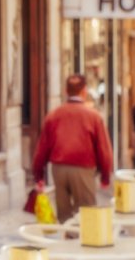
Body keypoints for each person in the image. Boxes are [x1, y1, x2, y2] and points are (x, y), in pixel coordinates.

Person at [32, 74, 114, 223]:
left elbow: (42, 148)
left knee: (64, 215)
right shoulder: (93, 117)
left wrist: (38, 176)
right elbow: (104, 149)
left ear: (65, 91)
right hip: (83, 168)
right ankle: (82, 241)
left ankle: (69, 239)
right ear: (84, 91)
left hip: (59, 169)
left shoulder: (53, 115)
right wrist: (105, 176)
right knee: (87, 213)